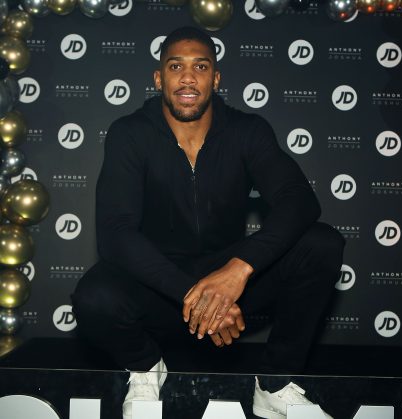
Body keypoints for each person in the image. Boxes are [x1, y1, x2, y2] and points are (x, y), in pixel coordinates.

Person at [71, 26, 344, 419]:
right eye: (175, 66)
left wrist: (239, 269)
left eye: (200, 66)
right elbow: (116, 234)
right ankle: (146, 368)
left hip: (230, 281)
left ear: (215, 79)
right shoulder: (130, 134)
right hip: (160, 287)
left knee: (321, 243)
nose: (187, 77)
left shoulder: (247, 131)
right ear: (158, 79)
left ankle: (274, 385)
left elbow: (299, 200)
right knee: (94, 296)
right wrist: (194, 295)